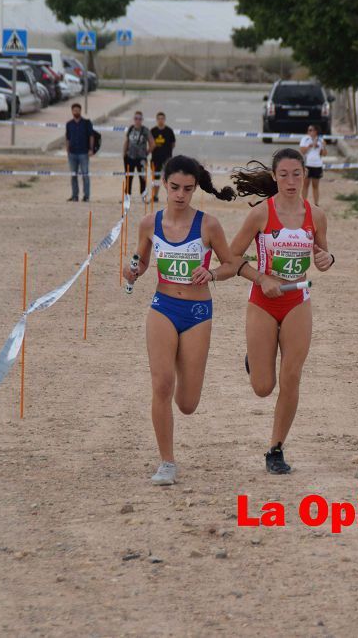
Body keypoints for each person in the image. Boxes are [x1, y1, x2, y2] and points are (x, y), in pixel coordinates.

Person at [124, 155, 241, 486]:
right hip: (163, 307)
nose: (180, 195)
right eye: (174, 187)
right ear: (164, 183)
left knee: (187, 403)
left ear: (194, 190)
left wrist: (213, 273)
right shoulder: (150, 223)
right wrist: (131, 271)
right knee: (161, 384)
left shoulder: (208, 225)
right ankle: (167, 462)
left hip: (198, 313)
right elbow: (141, 260)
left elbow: (231, 264)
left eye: (188, 189)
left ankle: (181, 364)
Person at [229, 148, 334, 475]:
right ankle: (254, 358)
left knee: (292, 376)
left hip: (297, 299)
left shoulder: (316, 215)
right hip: (262, 300)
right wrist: (261, 277)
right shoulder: (261, 214)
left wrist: (326, 260)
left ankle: (275, 448)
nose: (291, 181)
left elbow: (324, 255)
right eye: (284, 174)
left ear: (306, 175)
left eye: (297, 174)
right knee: (263, 387)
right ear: (274, 177)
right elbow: (231, 259)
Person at [65, 103, 94, 202]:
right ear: (72, 111)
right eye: (74, 110)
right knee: (73, 175)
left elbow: (91, 136)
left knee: (85, 175)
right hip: (72, 153)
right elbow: (68, 137)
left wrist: (91, 149)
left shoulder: (86, 123)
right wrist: (67, 149)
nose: (76, 112)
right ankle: (74, 195)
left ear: (80, 111)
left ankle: (86, 196)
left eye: (77, 110)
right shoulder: (69, 124)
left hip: (84, 153)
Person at [122, 111, 153, 199]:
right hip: (129, 157)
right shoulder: (131, 128)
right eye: (136, 118)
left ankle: (143, 195)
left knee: (142, 177)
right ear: (134, 119)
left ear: (142, 120)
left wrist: (146, 153)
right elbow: (127, 141)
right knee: (128, 177)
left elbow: (152, 143)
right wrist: (124, 154)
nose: (137, 120)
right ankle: (127, 196)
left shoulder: (145, 130)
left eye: (139, 119)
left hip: (141, 158)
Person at [149, 112, 176, 204]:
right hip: (155, 159)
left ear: (164, 120)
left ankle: (170, 197)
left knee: (168, 179)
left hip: (167, 159)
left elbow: (173, 144)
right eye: (159, 119)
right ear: (157, 120)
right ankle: (155, 196)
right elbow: (150, 143)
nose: (160, 120)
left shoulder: (169, 131)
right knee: (155, 178)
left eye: (162, 119)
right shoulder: (153, 131)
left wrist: (167, 152)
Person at [298, 124, 327, 205]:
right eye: (308, 130)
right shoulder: (305, 139)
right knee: (305, 185)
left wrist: (324, 146)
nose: (309, 132)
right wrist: (310, 146)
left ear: (316, 131)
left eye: (311, 130)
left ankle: (316, 204)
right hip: (307, 164)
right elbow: (302, 151)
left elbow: (324, 154)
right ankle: (303, 203)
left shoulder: (321, 140)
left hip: (317, 165)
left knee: (315, 185)